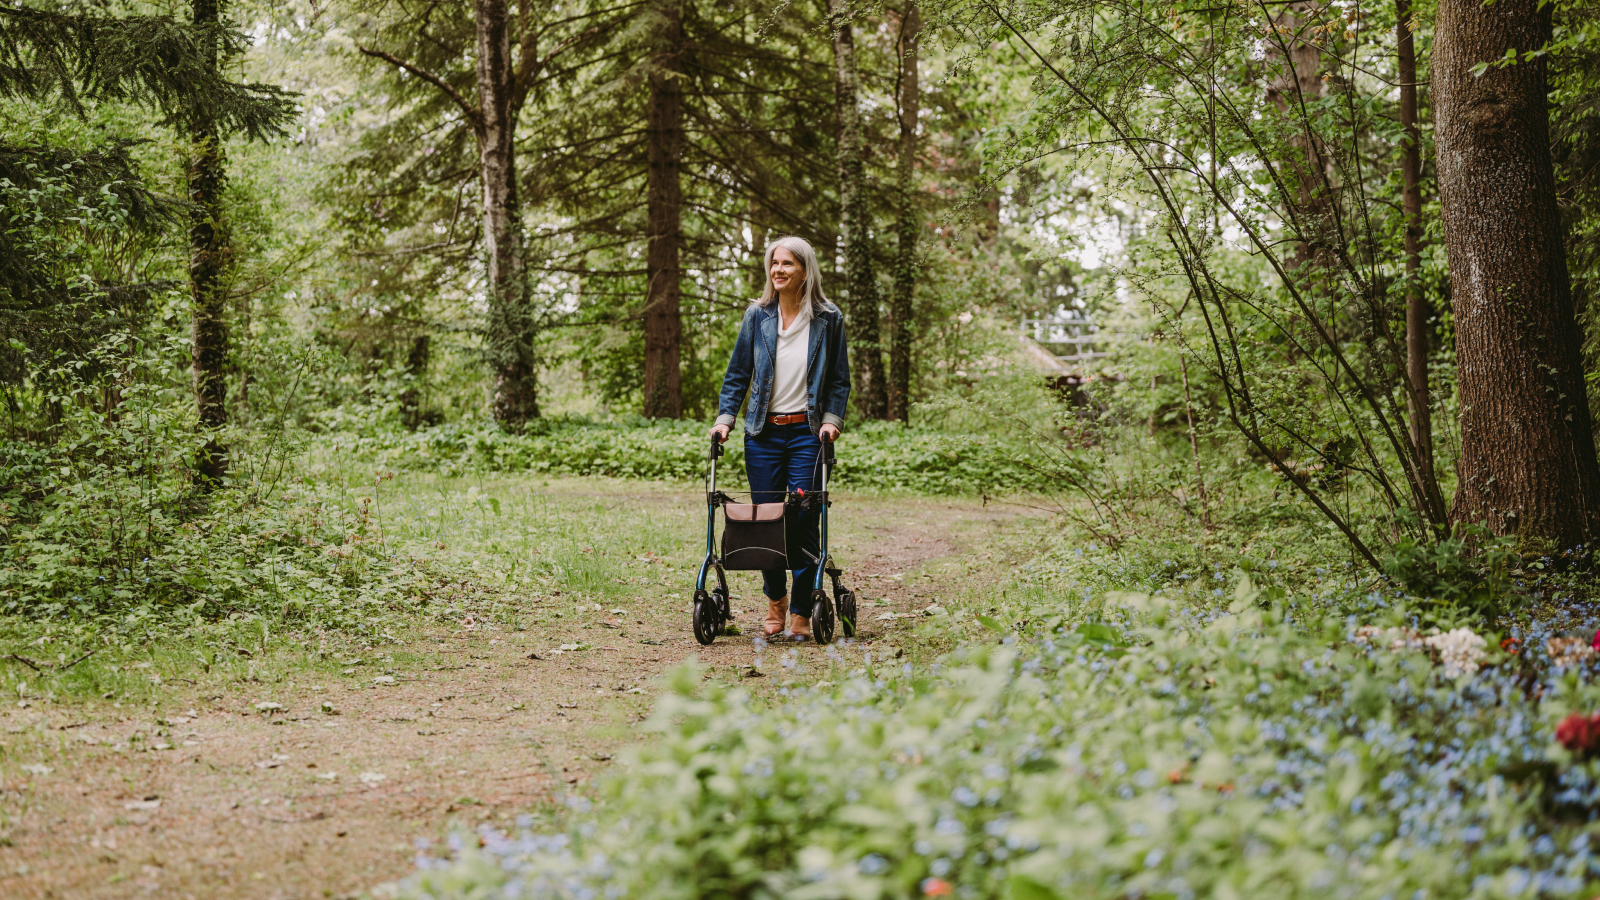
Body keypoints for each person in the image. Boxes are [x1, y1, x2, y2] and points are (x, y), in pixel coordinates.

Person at [710, 236, 851, 642]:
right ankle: (776, 601)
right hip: (763, 433)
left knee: (804, 519)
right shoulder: (758, 316)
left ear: (805, 270)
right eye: (774, 264)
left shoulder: (828, 318)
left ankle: (802, 612)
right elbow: (738, 373)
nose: (779, 270)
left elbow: (839, 381)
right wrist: (725, 419)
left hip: (808, 434)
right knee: (766, 520)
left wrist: (832, 421)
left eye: (788, 263)